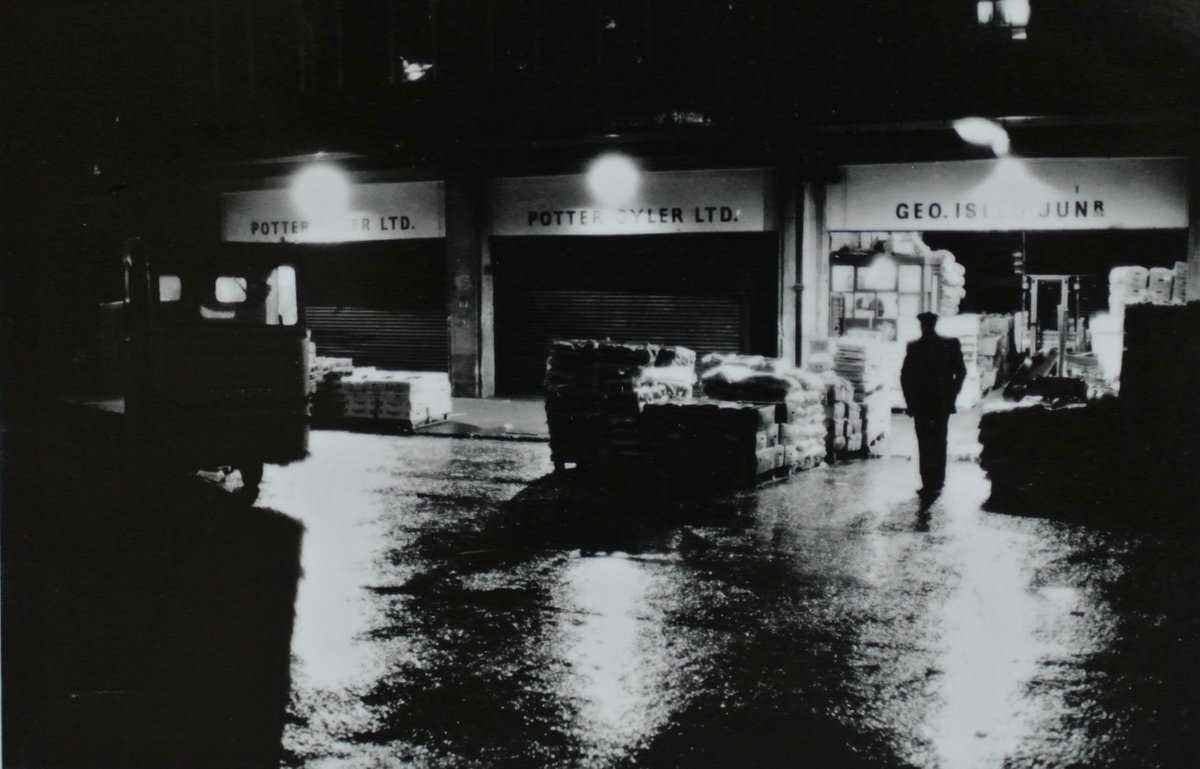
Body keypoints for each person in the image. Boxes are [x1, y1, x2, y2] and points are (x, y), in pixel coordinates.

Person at [901, 312, 967, 499]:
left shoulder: (915, 347)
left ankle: (928, 483)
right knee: (939, 440)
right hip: (940, 400)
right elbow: (961, 371)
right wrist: (952, 393)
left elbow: (906, 377)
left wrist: (910, 401)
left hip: (922, 401)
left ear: (922, 326)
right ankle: (937, 480)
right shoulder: (949, 344)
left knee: (925, 441)